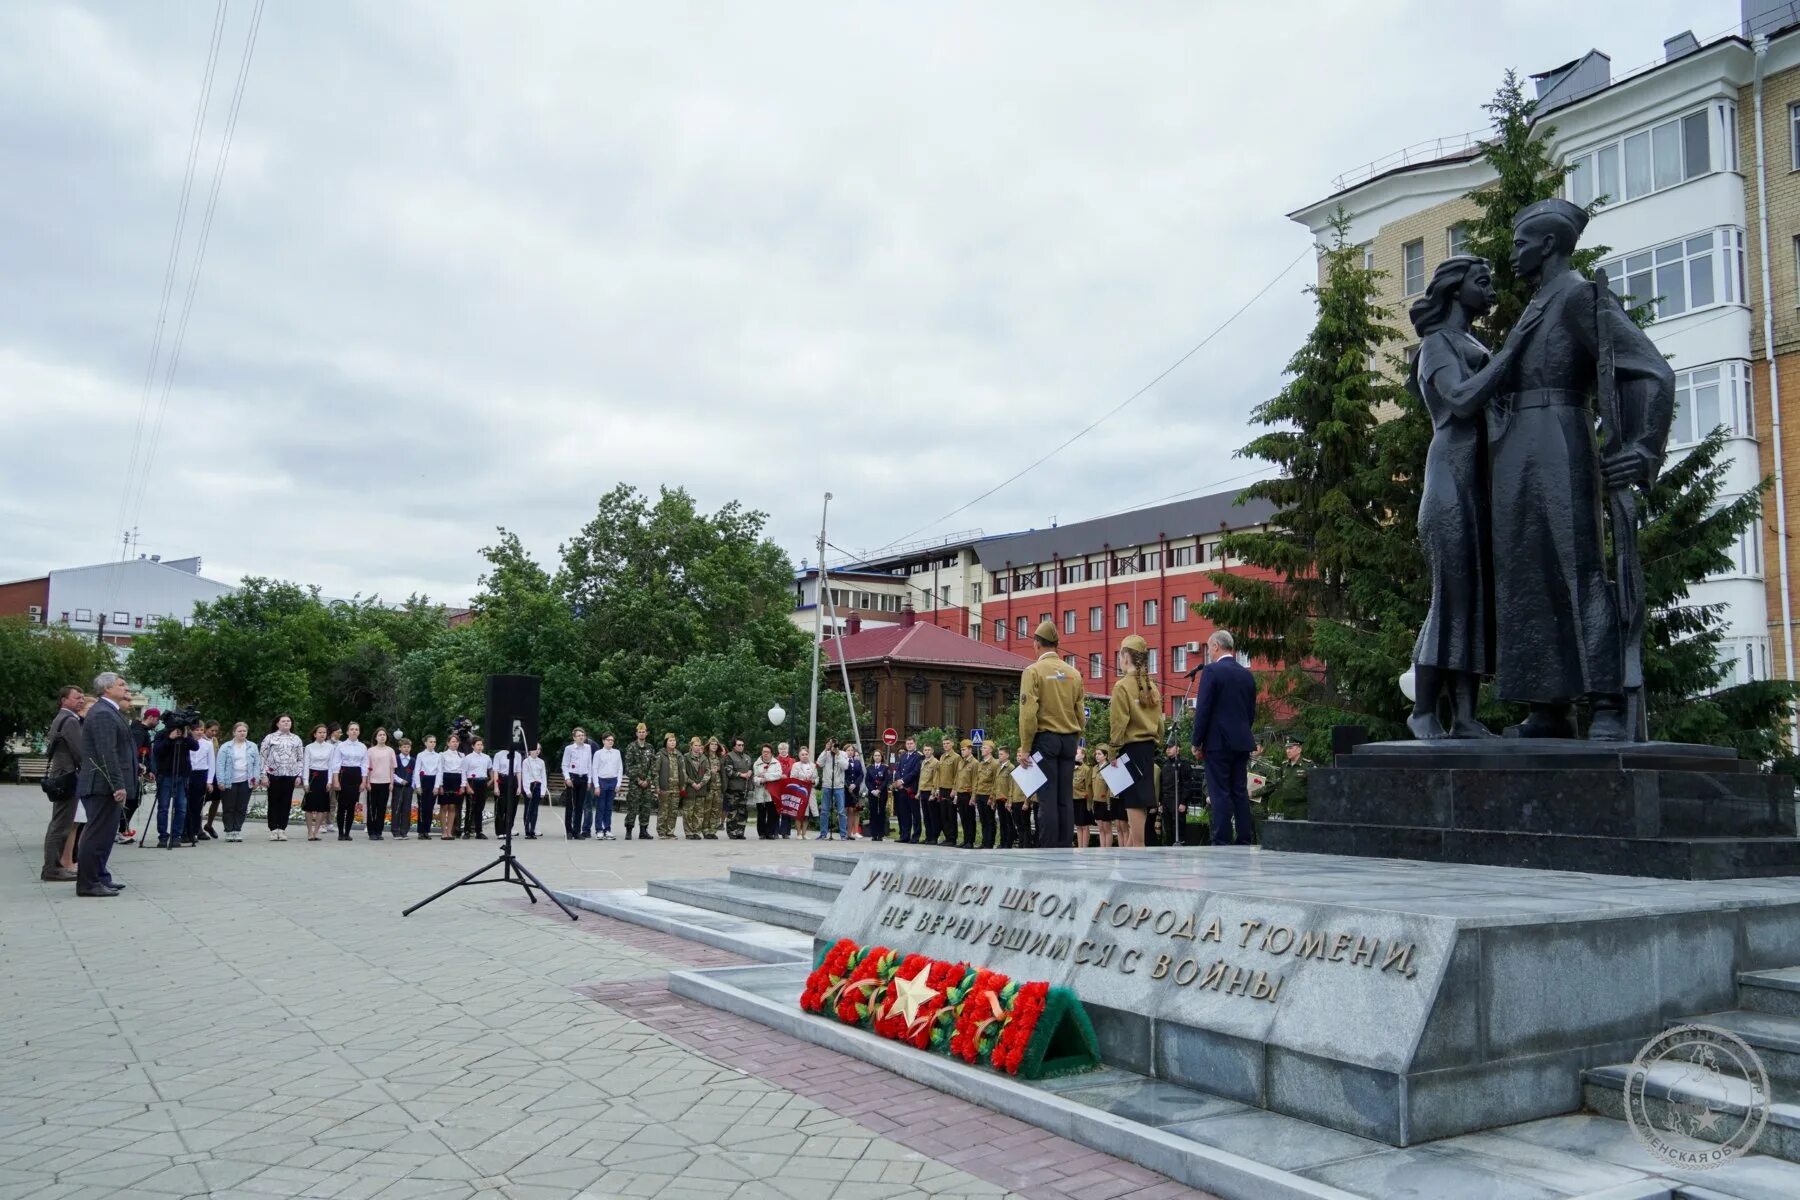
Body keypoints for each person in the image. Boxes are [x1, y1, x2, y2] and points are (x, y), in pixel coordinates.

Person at [1487, 199, 1675, 740]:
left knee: (1576, 567)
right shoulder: (1536, 303)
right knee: (1527, 573)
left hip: (1561, 432)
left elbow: (1651, 370)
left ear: (1547, 245)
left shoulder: (1576, 295)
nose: (1514, 253)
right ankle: (1549, 705)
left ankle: (1607, 703)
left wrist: (1642, 447)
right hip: (1518, 446)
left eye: (1522, 243)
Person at [1403, 255, 1501, 739]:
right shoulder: (1437, 344)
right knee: (1452, 597)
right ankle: (1423, 709)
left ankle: (1464, 715)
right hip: (1448, 482)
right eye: (1483, 282)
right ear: (1456, 289)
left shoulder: (1471, 343)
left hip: (1477, 481)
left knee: (1475, 600)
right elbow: (1460, 400)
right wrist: (1511, 356)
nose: (1492, 290)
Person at [1019, 619, 1084, 849]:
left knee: (1046, 797)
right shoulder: (1073, 673)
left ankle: (1048, 848)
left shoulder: (1033, 671)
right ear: (1057, 645)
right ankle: (1065, 845)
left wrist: (1025, 747)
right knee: (1065, 797)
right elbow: (1080, 714)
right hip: (1069, 740)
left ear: (1037, 644)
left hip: (1045, 740)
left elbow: (1028, 713)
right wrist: (1075, 739)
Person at [1192, 630, 1258, 846]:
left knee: (1219, 790)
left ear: (1216, 646)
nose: (1209, 652)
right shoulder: (1246, 674)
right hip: (1241, 742)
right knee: (1239, 790)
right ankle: (1244, 838)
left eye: (1209, 648)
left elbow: (1203, 709)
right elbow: (1250, 712)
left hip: (1217, 742)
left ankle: (1222, 840)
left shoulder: (1212, 671)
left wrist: (1196, 741)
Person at [75, 672, 135, 896]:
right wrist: (118, 784)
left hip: (107, 785)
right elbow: (106, 753)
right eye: (121, 684)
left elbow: (119, 749)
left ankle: (100, 876)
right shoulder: (102, 713)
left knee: (106, 835)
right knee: (97, 835)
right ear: (107, 689)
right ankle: (88, 883)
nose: (125, 687)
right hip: (102, 785)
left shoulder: (111, 711)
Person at [1110, 634, 1163, 849]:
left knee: (1132, 803)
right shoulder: (1152, 686)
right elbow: (1160, 722)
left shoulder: (1122, 686)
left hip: (1129, 749)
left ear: (1125, 657)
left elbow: (1119, 723)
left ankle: (1137, 855)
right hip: (1147, 749)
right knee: (1140, 805)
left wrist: (1113, 750)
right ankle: (1130, 854)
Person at [41, 685, 84, 882]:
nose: (81, 700)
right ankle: (52, 868)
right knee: (62, 824)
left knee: (59, 823)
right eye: (76, 697)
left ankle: (53, 866)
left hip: (60, 773)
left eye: (82, 697)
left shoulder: (61, 718)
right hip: (67, 776)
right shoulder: (70, 721)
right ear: (64, 700)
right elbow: (79, 752)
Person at [213, 722, 261, 842]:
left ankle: (237, 830)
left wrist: (255, 780)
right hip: (230, 781)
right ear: (234, 732)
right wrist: (221, 781)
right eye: (239, 731)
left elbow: (256, 764)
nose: (242, 733)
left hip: (246, 781)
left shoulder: (252, 746)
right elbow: (219, 765)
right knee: (229, 807)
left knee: (241, 807)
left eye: (244, 731)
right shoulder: (226, 747)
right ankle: (229, 830)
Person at [259, 715, 303, 841]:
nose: (286, 723)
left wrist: (299, 775)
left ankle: (282, 829)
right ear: (277, 724)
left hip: (290, 775)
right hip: (273, 774)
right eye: (283, 721)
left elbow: (300, 758)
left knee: (286, 802)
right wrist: (263, 775)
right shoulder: (270, 738)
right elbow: (263, 756)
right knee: (274, 801)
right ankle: (273, 829)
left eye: (288, 721)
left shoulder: (296, 739)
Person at [151, 714, 191, 850]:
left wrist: (185, 737)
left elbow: (195, 747)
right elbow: (157, 751)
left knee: (181, 808)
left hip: (182, 775)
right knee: (163, 807)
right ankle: (163, 836)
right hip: (165, 775)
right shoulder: (162, 734)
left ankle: (176, 836)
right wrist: (169, 738)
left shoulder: (185, 735)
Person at [121, 704, 157, 842]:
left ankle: (123, 828)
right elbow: (136, 752)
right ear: (151, 717)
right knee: (132, 801)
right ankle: (122, 830)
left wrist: (150, 769)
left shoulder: (143, 731)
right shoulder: (138, 731)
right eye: (157, 719)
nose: (157, 722)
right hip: (134, 772)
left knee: (134, 800)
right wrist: (140, 766)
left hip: (139, 771)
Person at [329, 722, 368, 842]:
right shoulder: (341, 746)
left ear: (359, 732)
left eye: (356, 729)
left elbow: (364, 765)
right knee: (342, 805)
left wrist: (363, 781)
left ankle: (347, 832)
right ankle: (340, 832)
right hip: (343, 775)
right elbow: (335, 764)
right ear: (347, 732)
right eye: (352, 729)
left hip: (356, 775)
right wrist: (335, 781)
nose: (354, 731)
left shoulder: (362, 747)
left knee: (352, 806)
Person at [1262, 737, 1316, 819]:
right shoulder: (1284, 765)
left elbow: (1316, 786)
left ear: (1299, 749)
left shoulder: (1308, 765)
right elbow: (1278, 782)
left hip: (1301, 807)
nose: (1288, 751)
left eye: (1290, 748)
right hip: (1287, 807)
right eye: (1287, 748)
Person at [622, 723, 659, 840]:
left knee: (646, 807)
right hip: (635, 783)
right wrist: (638, 780)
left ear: (646, 733)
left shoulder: (650, 747)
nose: (642, 733)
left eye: (644, 732)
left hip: (647, 784)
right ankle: (629, 830)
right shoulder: (631, 747)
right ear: (636, 733)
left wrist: (648, 780)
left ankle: (643, 831)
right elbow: (628, 767)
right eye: (640, 732)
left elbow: (653, 766)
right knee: (632, 807)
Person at [182, 716, 214, 846]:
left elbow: (211, 763)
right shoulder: (186, 742)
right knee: (185, 804)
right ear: (191, 730)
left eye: (201, 730)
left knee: (197, 805)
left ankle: (193, 832)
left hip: (201, 775)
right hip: (188, 773)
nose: (199, 732)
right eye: (196, 730)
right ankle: (183, 831)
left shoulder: (208, 744)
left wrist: (209, 781)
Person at [301, 724, 334, 841]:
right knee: (309, 806)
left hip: (324, 776)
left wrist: (330, 781)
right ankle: (309, 831)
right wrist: (305, 782)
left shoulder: (330, 747)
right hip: (312, 776)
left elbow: (331, 765)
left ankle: (316, 832)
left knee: (322, 806)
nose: (322, 734)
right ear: (315, 734)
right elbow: (305, 765)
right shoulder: (309, 747)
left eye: (324, 732)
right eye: (320, 732)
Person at [365, 727, 397, 839]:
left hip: (386, 782)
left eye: (384, 735)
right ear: (376, 737)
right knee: (372, 808)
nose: (382, 736)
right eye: (380, 735)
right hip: (373, 782)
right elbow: (367, 768)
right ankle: (371, 832)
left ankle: (379, 831)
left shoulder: (390, 750)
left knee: (382, 808)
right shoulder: (370, 751)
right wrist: (367, 782)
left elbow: (392, 768)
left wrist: (391, 783)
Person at [562, 729, 593, 840]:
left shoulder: (588, 748)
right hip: (573, 778)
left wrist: (589, 780)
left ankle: (577, 831)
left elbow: (589, 764)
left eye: (583, 735)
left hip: (583, 778)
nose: (581, 737)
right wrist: (567, 778)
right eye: (579, 735)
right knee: (570, 806)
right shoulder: (569, 749)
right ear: (574, 737)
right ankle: (568, 830)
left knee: (580, 806)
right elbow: (565, 765)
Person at [680, 736, 712, 840]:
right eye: (696, 745)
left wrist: (702, 783)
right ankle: (689, 832)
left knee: (699, 812)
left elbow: (708, 772)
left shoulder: (704, 758)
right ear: (691, 746)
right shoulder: (685, 757)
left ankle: (696, 832)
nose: (698, 747)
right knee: (688, 812)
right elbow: (683, 773)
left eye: (699, 745)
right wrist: (692, 783)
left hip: (701, 789)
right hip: (690, 788)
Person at [593, 732, 623, 841]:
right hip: (602, 781)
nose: (610, 742)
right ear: (603, 741)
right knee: (601, 806)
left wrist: (619, 783)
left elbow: (620, 768)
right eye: (608, 740)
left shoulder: (617, 752)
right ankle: (599, 830)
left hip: (613, 781)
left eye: (612, 740)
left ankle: (607, 829)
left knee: (609, 807)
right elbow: (594, 769)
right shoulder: (598, 753)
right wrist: (596, 785)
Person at [815, 738, 846, 840]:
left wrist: (837, 755)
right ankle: (823, 833)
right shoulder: (826, 754)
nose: (833, 747)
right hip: (827, 785)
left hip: (839, 786)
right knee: (824, 810)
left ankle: (843, 835)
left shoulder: (842, 754)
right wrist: (826, 750)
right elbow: (819, 763)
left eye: (834, 745)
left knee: (841, 811)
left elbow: (845, 766)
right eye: (831, 744)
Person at [782, 746, 817, 837]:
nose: (804, 756)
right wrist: (802, 781)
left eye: (806, 754)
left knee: (806, 814)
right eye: (802, 754)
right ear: (799, 756)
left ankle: (804, 833)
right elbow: (793, 778)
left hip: (810, 791)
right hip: (800, 791)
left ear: (808, 755)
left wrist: (813, 781)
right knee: (799, 813)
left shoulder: (813, 765)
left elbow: (817, 778)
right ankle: (798, 833)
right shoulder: (796, 765)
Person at [461, 736, 492, 838]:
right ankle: (467, 831)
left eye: (481, 745)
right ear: (473, 746)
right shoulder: (468, 758)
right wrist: (467, 786)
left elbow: (490, 770)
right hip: (472, 782)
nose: (480, 747)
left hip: (482, 782)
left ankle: (479, 831)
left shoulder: (486, 757)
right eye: (478, 745)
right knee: (470, 808)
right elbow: (464, 772)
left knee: (480, 808)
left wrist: (491, 780)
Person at [654, 733, 684, 839]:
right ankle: (661, 831)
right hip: (665, 787)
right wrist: (657, 786)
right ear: (666, 742)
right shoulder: (661, 754)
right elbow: (656, 772)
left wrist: (682, 786)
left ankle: (670, 831)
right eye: (670, 741)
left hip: (676, 788)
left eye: (674, 741)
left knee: (673, 811)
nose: (673, 742)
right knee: (664, 810)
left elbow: (683, 771)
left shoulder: (679, 755)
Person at [412, 733, 441, 840]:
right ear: (425, 743)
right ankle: (421, 831)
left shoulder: (438, 756)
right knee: (422, 807)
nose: (433, 744)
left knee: (430, 807)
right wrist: (418, 786)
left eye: (434, 742)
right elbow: (416, 771)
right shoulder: (420, 755)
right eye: (430, 741)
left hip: (433, 781)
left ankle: (427, 831)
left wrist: (436, 786)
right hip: (423, 780)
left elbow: (439, 771)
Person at [723, 737, 753, 840]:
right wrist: (741, 774)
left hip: (744, 789)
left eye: (742, 745)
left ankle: (740, 831)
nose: (741, 747)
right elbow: (728, 771)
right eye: (739, 745)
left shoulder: (747, 757)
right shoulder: (729, 756)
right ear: (734, 746)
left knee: (743, 812)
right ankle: (732, 832)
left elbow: (750, 769)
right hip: (733, 789)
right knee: (733, 811)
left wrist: (750, 772)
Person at [893, 736, 922, 844]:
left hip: (912, 788)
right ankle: (905, 835)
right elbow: (898, 769)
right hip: (902, 789)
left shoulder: (919, 756)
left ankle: (916, 836)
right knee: (904, 813)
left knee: (915, 814)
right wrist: (898, 781)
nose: (909, 745)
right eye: (908, 744)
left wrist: (903, 781)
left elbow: (915, 772)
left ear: (915, 744)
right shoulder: (903, 756)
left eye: (911, 743)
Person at [491, 738, 522, 837]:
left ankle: (508, 829)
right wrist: (496, 786)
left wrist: (519, 787)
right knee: (501, 806)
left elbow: (518, 772)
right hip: (502, 778)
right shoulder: (499, 755)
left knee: (512, 807)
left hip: (513, 779)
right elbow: (495, 771)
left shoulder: (517, 755)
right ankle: (500, 831)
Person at [1157, 743, 1186, 847]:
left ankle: (1180, 844)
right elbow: (1161, 783)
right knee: (1167, 825)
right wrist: (1160, 801)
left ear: (1178, 749)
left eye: (1170, 747)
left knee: (1178, 824)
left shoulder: (1183, 764)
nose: (1167, 750)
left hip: (1177, 799)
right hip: (1165, 799)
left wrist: (1183, 802)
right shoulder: (1165, 764)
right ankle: (1167, 846)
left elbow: (1186, 784)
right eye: (1166, 748)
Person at [436, 731, 464, 838]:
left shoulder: (461, 755)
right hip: (446, 779)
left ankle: (449, 831)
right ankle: (443, 832)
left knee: (453, 807)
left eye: (457, 742)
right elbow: (440, 770)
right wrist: (440, 785)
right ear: (448, 743)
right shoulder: (442, 755)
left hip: (457, 780)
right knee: (444, 806)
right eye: (453, 742)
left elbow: (463, 771)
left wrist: (462, 785)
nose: (455, 744)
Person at [971, 741, 998, 849]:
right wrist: (974, 795)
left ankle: (989, 843)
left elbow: (996, 782)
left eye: (984, 748)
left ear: (990, 750)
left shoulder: (995, 764)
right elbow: (977, 780)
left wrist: (992, 797)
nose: (982, 749)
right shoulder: (981, 764)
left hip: (988, 795)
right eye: (982, 748)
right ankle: (984, 841)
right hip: (980, 794)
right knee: (983, 820)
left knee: (990, 820)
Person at [952, 739, 977, 849]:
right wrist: (955, 791)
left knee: (970, 818)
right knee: (963, 818)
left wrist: (973, 796)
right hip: (960, 793)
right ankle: (965, 839)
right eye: (961, 750)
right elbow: (958, 777)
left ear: (970, 750)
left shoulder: (975, 763)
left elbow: (975, 780)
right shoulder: (961, 762)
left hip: (968, 793)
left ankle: (970, 841)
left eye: (964, 749)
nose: (962, 752)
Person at [1091, 746, 1116, 849]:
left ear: (1105, 755)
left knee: (1107, 829)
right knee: (1100, 829)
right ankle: (1102, 849)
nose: (1097, 756)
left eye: (1099, 754)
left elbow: (1111, 787)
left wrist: (1109, 803)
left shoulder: (1109, 768)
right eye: (1096, 754)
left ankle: (1108, 850)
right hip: (1096, 801)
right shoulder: (1095, 768)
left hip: (1106, 802)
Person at [391, 738, 416, 838]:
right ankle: (395, 830)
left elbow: (414, 774)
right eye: (404, 747)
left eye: (408, 747)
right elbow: (392, 772)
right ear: (400, 748)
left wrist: (413, 786)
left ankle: (404, 831)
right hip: (397, 787)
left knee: (406, 809)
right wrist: (400, 780)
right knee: (396, 808)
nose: (406, 749)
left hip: (408, 788)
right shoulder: (396, 758)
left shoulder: (413, 760)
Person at [521, 744, 548, 838]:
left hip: (538, 785)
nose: (537, 751)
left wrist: (543, 791)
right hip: (529, 785)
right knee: (528, 809)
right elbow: (525, 776)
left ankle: (532, 830)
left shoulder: (541, 762)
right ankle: (527, 830)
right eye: (535, 749)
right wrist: (527, 790)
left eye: (539, 749)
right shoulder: (526, 761)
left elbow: (543, 776)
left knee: (535, 809)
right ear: (530, 751)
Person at [936, 736, 958, 847]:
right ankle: (947, 837)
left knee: (951, 815)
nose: (945, 745)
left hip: (950, 789)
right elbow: (939, 774)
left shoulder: (956, 757)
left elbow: (957, 775)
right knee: (943, 815)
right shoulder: (942, 757)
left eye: (948, 743)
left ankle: (952, 838)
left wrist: (954, 789)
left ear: (952, 744)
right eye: (944, 743)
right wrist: (938, 788)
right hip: (942, 788)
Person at [864, 748, 890, 843]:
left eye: (879, 755)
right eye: (875, 755)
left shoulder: (885, 768)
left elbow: (886, 780)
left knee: (881, 813)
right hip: (872, 794)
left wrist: (879, 790)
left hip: (882, 793)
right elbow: (867, 781)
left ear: (881, 757)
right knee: (873, 813)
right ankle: (874, 834)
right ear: (873, 757)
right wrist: (872, 790)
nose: (877, 757)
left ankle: (880, 834)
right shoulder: (869, 768)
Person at [917, 743, 940, 845]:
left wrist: (933, 793)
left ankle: (934, 837)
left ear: (932, 751)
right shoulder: (923, 762)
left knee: (933, 816)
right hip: (923, 791)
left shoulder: (935, 762)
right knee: (925, 816)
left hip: (930, 792)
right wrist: (918, 792)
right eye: (925, 750)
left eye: (929, 750)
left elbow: (936, 778)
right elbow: (921, 778)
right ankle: (928, 836)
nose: (927, 752)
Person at [1071, 746, 1093, 849]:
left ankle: (1084, 847)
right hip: (1073, 799)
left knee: (1084, 825)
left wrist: (1089, 802)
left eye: (1077, 753)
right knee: (1078, 826)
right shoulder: (1071, 768)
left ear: (1083, 755)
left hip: (1082, 800)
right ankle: (1079, 847)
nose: (1075, 754)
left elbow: (1088, 786)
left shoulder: (1086, 769)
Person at [705, 736, 726, 839]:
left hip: (718, 787)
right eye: (712, 744)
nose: (714, 746)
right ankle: (706, 830)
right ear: (708, 745)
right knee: (707, 810)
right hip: (708, 786)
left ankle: (713, 831)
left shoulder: (720, 757)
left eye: (716, 744)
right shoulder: (704, 756)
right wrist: (710, 770)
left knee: (716, 810)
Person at [843, 743, 864, 841]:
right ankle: (843, 832)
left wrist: (855, 784)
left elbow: (861, 774)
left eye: (852, 750)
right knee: (843, 810)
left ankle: (850, 833)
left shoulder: (857, 762)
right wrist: (848, 785)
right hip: (844, 788)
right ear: (845, 751)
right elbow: (841, 774)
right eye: (848, 750)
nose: (850, 752)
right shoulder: (842, 761)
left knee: (852, 810)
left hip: (854, 789)